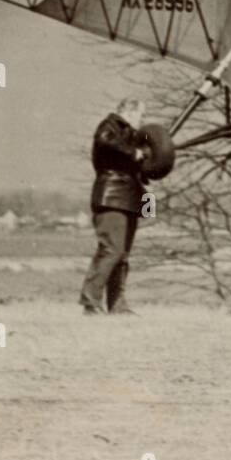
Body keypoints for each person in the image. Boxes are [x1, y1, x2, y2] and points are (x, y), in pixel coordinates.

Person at [80, 98, 149, 315]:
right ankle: (90, 302)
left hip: (129, 199)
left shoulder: (130, 135)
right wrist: (133, 153)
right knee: (112, 250)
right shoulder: (110, 125)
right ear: (129, 111)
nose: (142, 119)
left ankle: (117, 305)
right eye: (141, 114)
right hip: (111, 197)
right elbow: (104, 141)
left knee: (122, 254)